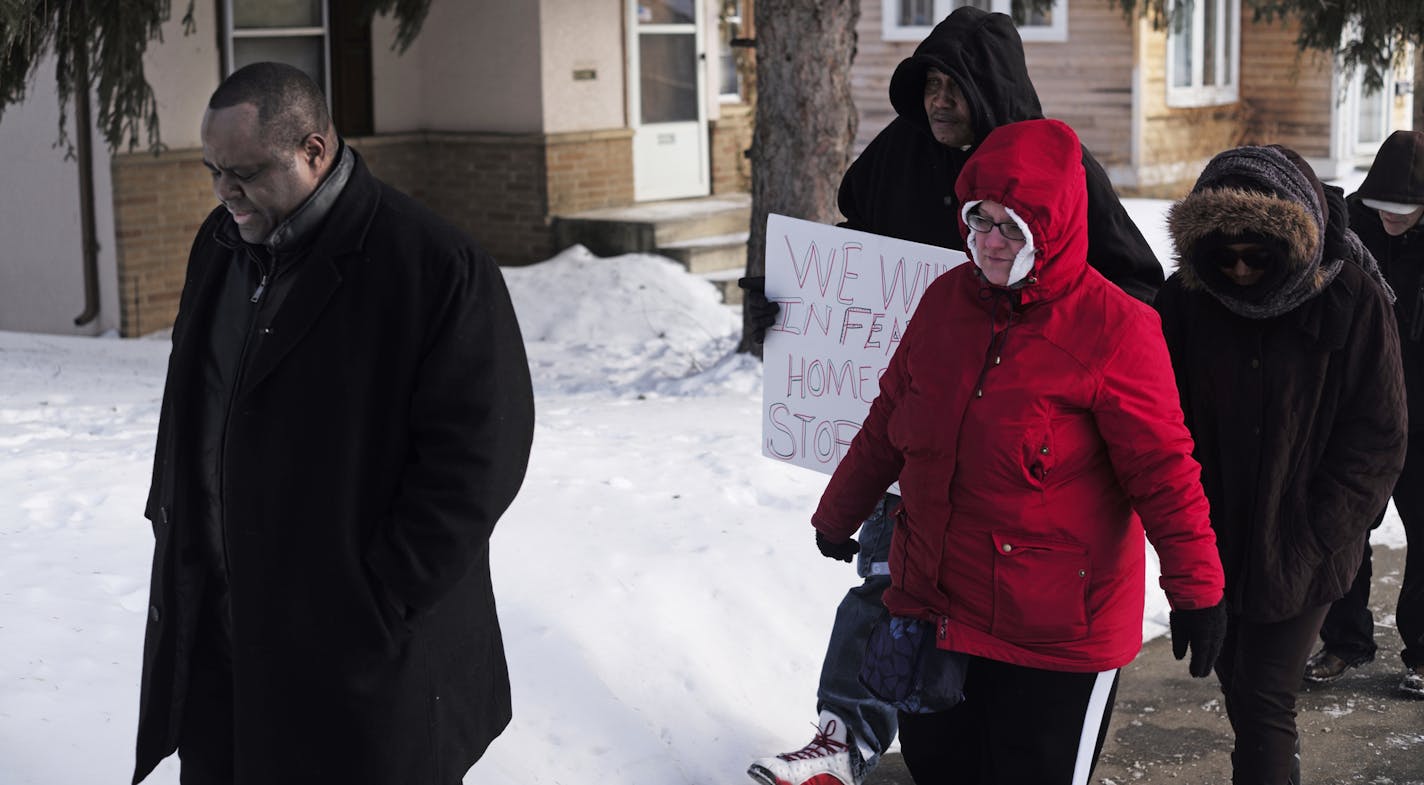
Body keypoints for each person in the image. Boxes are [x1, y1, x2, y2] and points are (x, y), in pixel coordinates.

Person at [748, 8, 1163, 785]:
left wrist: (1054, 354)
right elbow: (844, 254)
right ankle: (843, 735)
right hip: (919, 425)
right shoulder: (899, 153)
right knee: (889, 584)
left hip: (1023, 458)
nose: (938, 101)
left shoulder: (1058, 166)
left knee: (981, 634)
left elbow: (1137, 288)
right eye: (929, 84)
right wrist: (782, 302)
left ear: (995, 89)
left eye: (955, 88)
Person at [131, 62, 535, 785]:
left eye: (247, 172)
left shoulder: (432, 266)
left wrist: (376, 600)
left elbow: (478, 461)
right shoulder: (218, 247)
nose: (226, 192)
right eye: (211, 171)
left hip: (362, 659)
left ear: (314, 151)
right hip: (225, 638)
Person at [806, 117, 1226, 785]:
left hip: (1054, 630)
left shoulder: (1116, 328)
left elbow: (1163, 470)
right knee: (941, 764)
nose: (990, 243)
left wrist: (1196, 588)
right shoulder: (944, 301)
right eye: (980, 221)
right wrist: (840, 510)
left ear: (1053, 229)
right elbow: (891, 414)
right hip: (939, 605)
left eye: (1012, 228)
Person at [1155, 143, 1407, 783]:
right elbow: (1160, 416)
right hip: (1211, 536)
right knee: (1241, 688)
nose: (1239, 272)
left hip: (1306, 544)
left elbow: (1378, 434)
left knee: (1266, 698)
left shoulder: (1349, 294)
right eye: (1225, 258)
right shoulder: (1185, 300)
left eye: (1258, 258)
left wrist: (1318, 531)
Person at [1304, 129, 1424, 699]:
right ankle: (1345, 642)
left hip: (1423, 417)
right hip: (1360, 412)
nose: (1392, 219)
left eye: (1405, 210)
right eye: (1383, 207)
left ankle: (1422, 652)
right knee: (1347, 526)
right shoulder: (1346, 231)